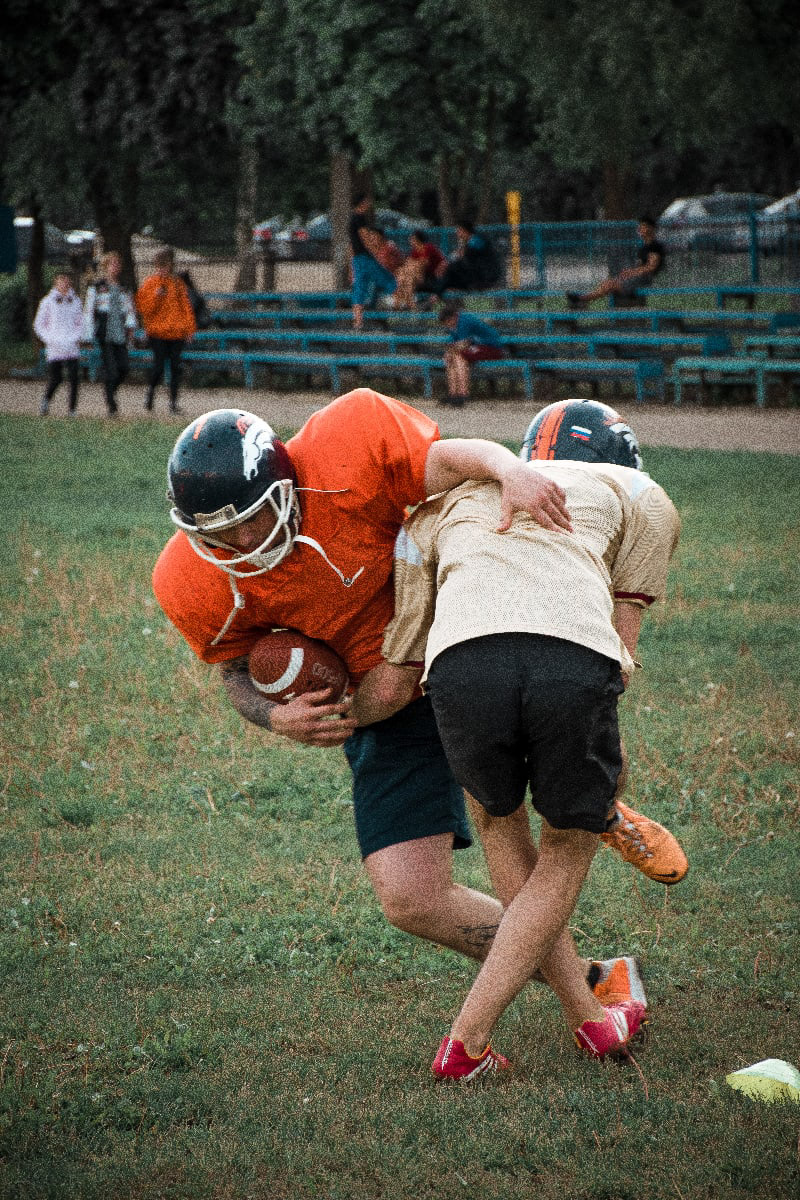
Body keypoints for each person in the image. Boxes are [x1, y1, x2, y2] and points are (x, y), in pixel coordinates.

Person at [152, 393, 680, 1053]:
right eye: (212, 535)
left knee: (515, 826)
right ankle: (598, 973)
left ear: (285, 485)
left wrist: (505, 468)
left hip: (460, 638)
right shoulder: (188, 579)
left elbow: (453, 460)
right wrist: (275, 714)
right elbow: (234, 672)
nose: (233, 545)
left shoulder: (349, 441)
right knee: (411, 899)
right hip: (380, 693)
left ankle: (592, 845)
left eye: (248, 523)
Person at [356, 400, 681, 1078]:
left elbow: (401, 663)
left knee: (500, 825)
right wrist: (600, 789)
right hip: (570, 657)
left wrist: (324, 714)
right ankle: (465, 1042)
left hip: (457, 666)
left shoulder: (442, 507)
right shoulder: (641, 494)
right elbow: (619, 650)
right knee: (565, 847)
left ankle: (590, 1020)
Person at [135, 248, 197, 414]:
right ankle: (151, 393)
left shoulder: (177, 284)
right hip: (157, 333)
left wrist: (189, 329)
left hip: (176, 333)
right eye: (160, 266)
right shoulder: (150, 284)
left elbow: (186, 308)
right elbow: (144, 309)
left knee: (176, 367)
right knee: (159, 366)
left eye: (166, 266)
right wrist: (156, 296)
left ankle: (173, 403)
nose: (163, 270)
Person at [82, 251, 137, 416]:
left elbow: (129, 311)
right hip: (104, 331)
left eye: (117, 264)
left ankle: (110, 390)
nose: (115, 267)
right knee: (111, 369)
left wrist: (131, 328)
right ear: (106, 267)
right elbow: (89, 311)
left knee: (124, 367)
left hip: (119, 330)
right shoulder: (97, 287)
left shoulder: (123, 288)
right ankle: (111, 404)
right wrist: (87, 335)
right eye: (112, 264)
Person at [566, 217, 665, 308]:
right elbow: (640, 266)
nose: (640, 229)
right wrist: (630, 272)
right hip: (636, 279)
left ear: (651, 228)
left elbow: (651, 267)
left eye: (643, 227)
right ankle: (583, 300)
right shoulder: (644, 247)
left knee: (610, 285)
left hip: (643, 281)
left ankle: (582, 299)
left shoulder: (654, 246)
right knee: (607, 283)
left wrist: (632, 272)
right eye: (640, 226)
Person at [33, 271, 84, 417]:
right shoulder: (47, 301)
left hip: (71, 343)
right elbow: (39, 324)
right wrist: (49, 338)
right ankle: (46, 401)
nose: (64, 284)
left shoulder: (76, 301)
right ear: (56, 283)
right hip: (55, 344)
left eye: (67, 281)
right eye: (61, 281)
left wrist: (75, 337)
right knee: (56, 378)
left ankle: (72, 409)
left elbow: (80, 322)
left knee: (74, 377)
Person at [438, 301, 506, 407]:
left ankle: (463, 393)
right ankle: (453, 394)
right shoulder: (454, 324)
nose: (447, 324)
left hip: (491, 347)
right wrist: (449, 352)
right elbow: (455, 344)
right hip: (477, 347)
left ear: (454, 317)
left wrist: (450, 351)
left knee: (458, 356)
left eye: (448, 321)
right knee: (453, 357)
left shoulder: (464, 320)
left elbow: (463, 344)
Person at [349, 195, 398, 330]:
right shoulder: (359, 218)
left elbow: (352, 244)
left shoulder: (351, 219)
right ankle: (402, 305)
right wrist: (376, 253)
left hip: (357, 259)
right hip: (365, 257)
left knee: (360, 288)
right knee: (387, 278)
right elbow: (365, 238)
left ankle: (358, 322)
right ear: (363, 203)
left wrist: (352, 263)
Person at [430, 219, 502, 296]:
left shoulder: (477, 239)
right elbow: (459, 255)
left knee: (452, 268)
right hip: (476, 274)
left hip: (486, 275)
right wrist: (445, 263)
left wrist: (446, 264)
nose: (457, 233)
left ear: (464, 230)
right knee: (449, 274)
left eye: (459, 230)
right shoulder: (469, 241)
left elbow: (464, 254)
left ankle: (437, 295)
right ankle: (440, 296)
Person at [393, 230, 446, 310]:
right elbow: (408, 265)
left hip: (434, 278)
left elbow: (423, 263)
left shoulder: (428, 247)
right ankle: (404, 304)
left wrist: (411, 266)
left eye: (412, 238)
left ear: (417, 239)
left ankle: (406, 305)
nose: (410, 240)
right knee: (404, 276)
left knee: (409, 275)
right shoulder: (414, 252)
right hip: (422, 278)